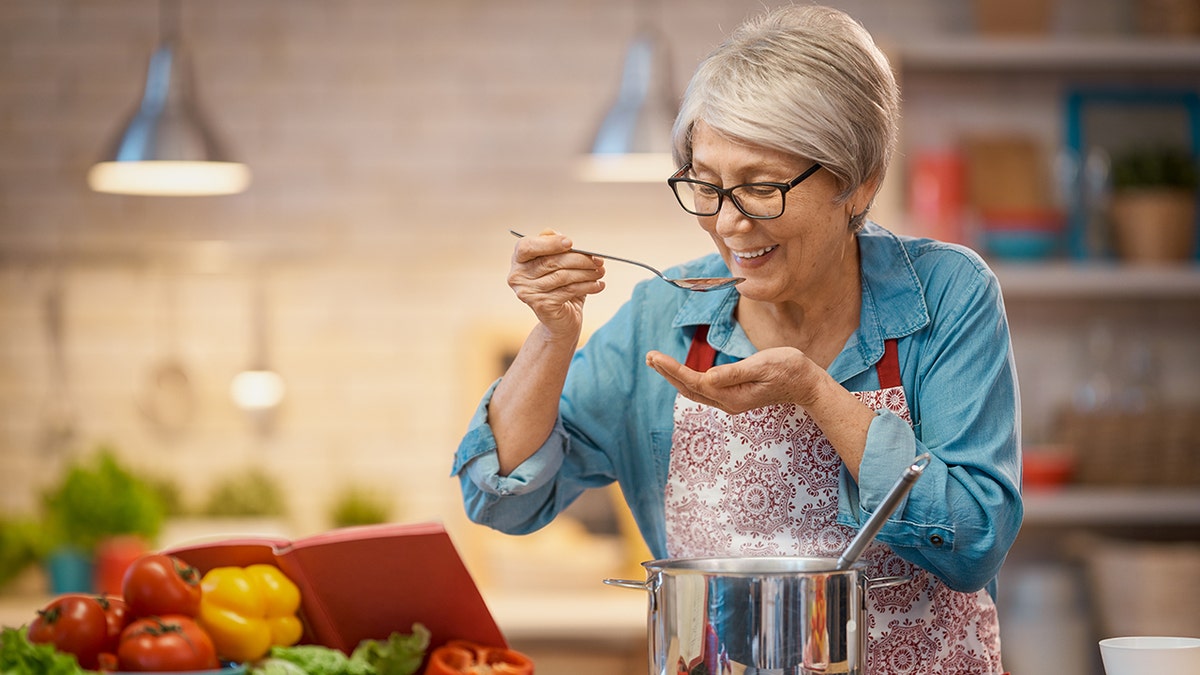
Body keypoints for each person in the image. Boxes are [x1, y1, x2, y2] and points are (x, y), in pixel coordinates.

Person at [454, 5, 1022, 673]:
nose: (728, 224)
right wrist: (553, 334)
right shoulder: (662, 315)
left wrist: (814, 391)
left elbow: (973, 538)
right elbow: (501, 500)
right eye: (706, 185)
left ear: (858, 181)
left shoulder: (946, 295)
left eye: (759, 187)